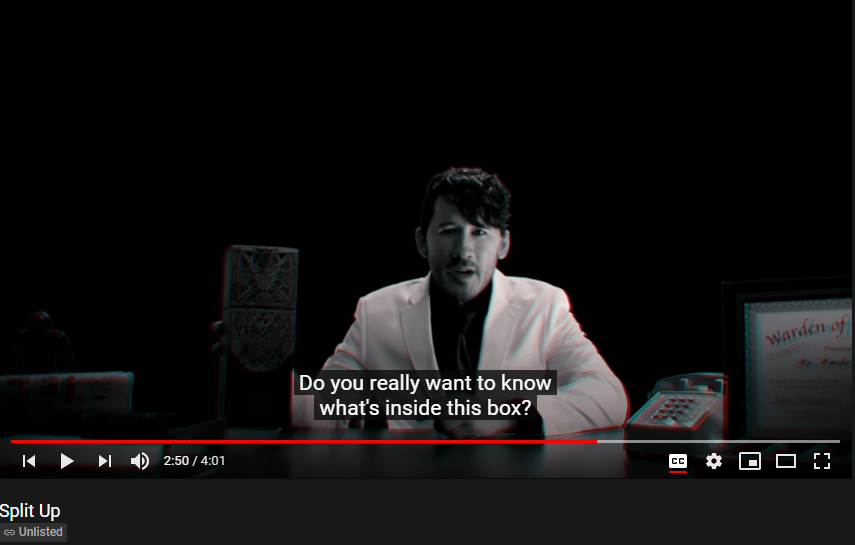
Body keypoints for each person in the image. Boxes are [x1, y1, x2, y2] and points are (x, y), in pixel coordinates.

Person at [291, 167, 629, 438]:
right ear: (423, 242)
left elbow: (608, 395)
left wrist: (509, 416)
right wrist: (271, 382)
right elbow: (323, 406)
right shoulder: (376, 312)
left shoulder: (545, 306)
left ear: (503, 244)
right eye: (449, 231)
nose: (463, 251)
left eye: (479, 232)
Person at [7, 311, 75, 375]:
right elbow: (16, 354)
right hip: (32, 371)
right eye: (37, 330)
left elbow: (70, 355)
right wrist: (11, 371)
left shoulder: (56, 337)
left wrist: (65, 372)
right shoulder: (24, 336)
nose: (39, 335)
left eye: (41, 329)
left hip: (48, 371)